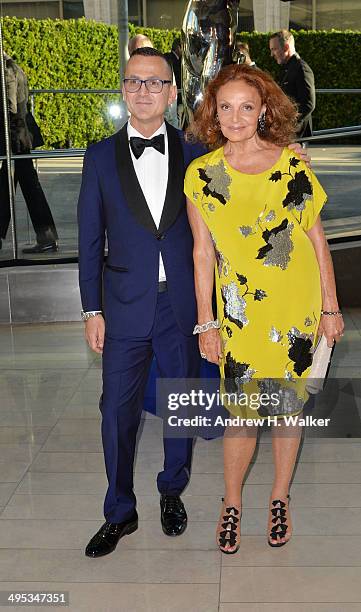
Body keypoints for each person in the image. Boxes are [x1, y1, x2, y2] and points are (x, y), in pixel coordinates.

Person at [184, 64, 344, 553]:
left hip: (297, 308)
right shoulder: (201, 175)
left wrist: (331, 308)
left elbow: (317, 242)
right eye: (226, 106)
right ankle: (231, 502)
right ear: (214, 111)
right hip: (240, 316)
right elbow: (202, 254)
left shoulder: (291, 165)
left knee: (287, 410)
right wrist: (206, 321)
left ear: (263, 111)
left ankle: (279, 497)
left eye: (246, 107)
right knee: (242, 415)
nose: (235, 116)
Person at [78, 47, 206, 558]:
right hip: (123, 306)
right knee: (116, 413)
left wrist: (294, 155)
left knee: (183, 406)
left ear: (173, 93)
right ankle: (119, 511)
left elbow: (249, 166)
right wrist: (92, 309)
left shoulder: (197, 151)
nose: (144, 91)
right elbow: (89, 239)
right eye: (134, 82)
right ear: (124, 90)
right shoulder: (99, 156)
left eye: (155, 83)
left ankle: (172, 490)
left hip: (183, 306)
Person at [0, 52, 58, 253]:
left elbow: (11, 106)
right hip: (20, 133)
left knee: (15, 184)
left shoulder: (6, 70)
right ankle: (47, 235)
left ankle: (47, 235)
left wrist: (15, 133)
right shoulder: (12, 66)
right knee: (23, 184)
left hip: (14, 134)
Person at [269, 30, 315, 138]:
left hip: (295, 135)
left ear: (285, 47)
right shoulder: (286, 68)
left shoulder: (301, 69)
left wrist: (288, 125)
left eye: (274, 49)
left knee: (292, 156)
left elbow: (308, 104)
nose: (271, 54)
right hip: (286, 132)